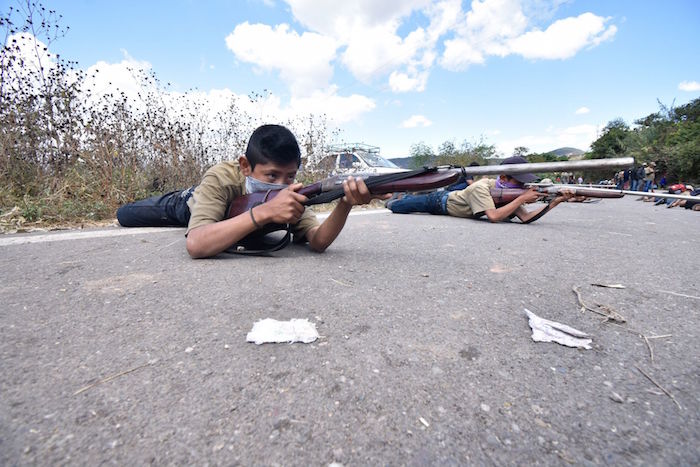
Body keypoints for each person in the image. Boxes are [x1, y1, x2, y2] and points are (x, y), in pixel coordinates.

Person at [117, 124, 389, 258]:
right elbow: (197, 244)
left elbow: (317, 241)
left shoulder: (292, 192)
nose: (282, 185)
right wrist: (264, 212)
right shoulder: (222, 177)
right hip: (189, 204)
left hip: (228, 223)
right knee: (126, 214)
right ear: (246, 166)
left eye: (290, 176)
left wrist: (345, 203)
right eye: (271, 175)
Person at [386, 156, 573, 224]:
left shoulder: (506, 193)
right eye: (519, 181)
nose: (522, 187)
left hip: (446, 203)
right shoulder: (481, 187)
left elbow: (525, 218)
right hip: (440, 202)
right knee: (397, 207)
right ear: (503, 178)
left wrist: (555, 202)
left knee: (404, 204)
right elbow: (493, 217)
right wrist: (522, 199)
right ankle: (391, 197)